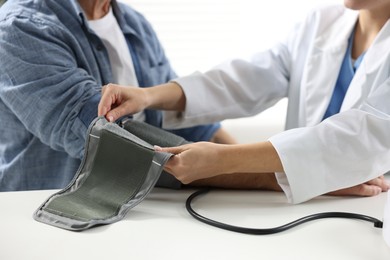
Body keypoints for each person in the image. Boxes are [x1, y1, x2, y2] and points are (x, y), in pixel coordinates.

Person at [98, 0, 390, 203]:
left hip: (372, 203)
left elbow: (361, 137)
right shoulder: (322, 22)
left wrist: (224, 160)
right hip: (302, 203)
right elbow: (249, 78)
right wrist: (150, 95)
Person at [0, 0, 236, 191]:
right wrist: (256, 175)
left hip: (142, 208)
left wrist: (251, 162)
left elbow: (192, 124)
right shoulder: (21, 27)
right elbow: (107, 140)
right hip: (52, 216)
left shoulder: (135, 23)